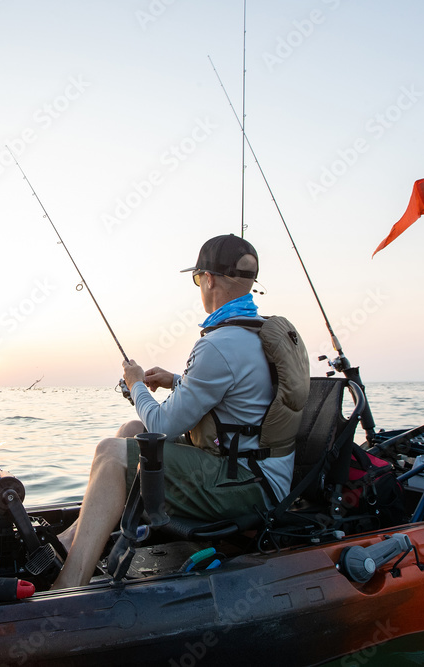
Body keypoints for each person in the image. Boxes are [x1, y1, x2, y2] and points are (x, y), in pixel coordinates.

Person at [52, 234, 293, 589]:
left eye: (197, 279)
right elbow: (239, 392)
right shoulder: (254, 333)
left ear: (208, 279)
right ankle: (76, 539)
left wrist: (135, 383)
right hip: (261, 472)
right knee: (131, 430)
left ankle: (66, 588)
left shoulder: (219, 344)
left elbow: (163, 424)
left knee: (110, 451)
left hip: (247, 485)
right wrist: (176, 380)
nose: (198, 286)